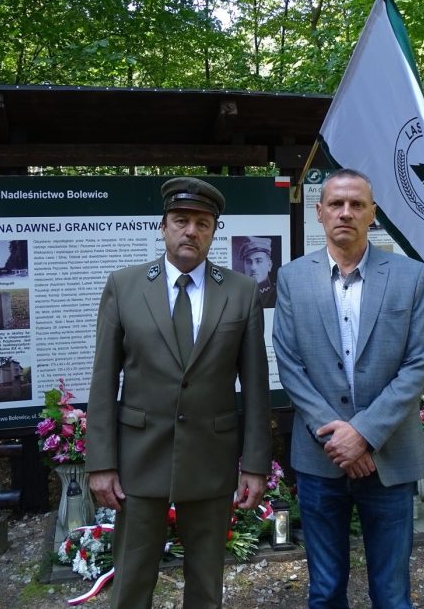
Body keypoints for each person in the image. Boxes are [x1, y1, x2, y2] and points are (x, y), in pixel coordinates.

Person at [85, 177, 272, 609]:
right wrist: (101, 463)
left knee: (206, 584)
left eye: (203, 223)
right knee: (132, 581)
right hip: (139, 458)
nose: (191, 230)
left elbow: (256, 385)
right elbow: (102, 379)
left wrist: (256, 464)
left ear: (214, 231)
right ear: (163, 226)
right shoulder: (125, 286)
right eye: (181, 220)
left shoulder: (241, 292)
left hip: (211, 456)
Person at [273, 168, 424, 609]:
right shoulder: (292, 278)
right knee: (325, 591)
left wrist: (362, 434)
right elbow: (289, 364)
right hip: (319, 460)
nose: (345, 212)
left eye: (356, 204)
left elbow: (417, 363)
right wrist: (337, 435)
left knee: (392, 592)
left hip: (389, 458)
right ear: (319, 212)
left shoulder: (412, 277)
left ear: (372, 214)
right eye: (336, 204)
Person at [240, 236, 277, 308]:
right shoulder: (238, 294)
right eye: (248, 262)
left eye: (259, 261)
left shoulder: (277, 294)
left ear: (269, 265)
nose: (253, 267)